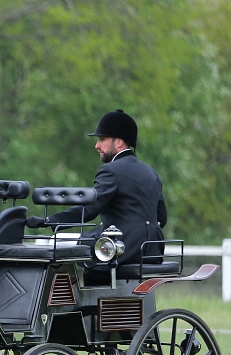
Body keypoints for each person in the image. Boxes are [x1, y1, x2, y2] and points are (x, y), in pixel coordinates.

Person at [26, 109, 167, 273]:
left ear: (119, 142)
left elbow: (90, 209)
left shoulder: (111, 171)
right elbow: (161, 217)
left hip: (121, 249)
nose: (97, 145)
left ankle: (63, 295)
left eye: (102, 139)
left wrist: (48, 220)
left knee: (56, 242)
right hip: (152, 251)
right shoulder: (150, 172)